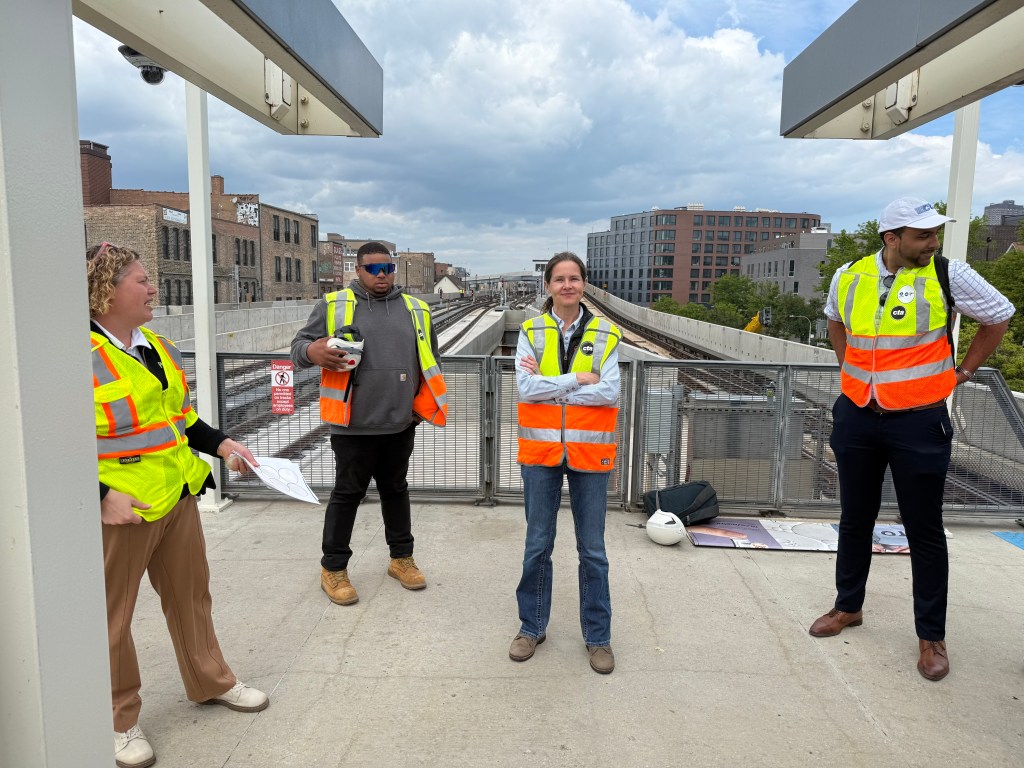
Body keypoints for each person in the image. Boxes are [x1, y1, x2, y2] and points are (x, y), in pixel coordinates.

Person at [812, 197, 1015, 681]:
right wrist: (851, 373)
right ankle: (848, 607)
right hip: (859, 414)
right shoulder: (850, 274)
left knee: (923, 530)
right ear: (892, 238)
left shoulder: (949, 274)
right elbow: (834, 321)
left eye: (934, 234)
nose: (933, 242)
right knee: (854, 518)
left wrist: (964, 370)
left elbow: (999, 315)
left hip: (919, 420)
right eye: (923, 235)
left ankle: (931, 636)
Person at [87, 243, 269, 768]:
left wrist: (224, 445)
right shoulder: (75, 355)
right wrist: (99, 496)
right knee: (111, 620)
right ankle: (119, 720)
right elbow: (50, 439)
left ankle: (211, 681)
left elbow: (180, 421)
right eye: (142, 280)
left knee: (192, 598)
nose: (152, 289)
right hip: (121, 509)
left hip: (176, 498)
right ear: (107, 290)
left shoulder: (158, 346)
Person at [291, 241, 447, 605]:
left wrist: (419, 410)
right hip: (353, 425)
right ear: (357, 271)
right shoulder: (333, 306)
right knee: (347, 495)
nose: (383, 275)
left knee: (396, 490)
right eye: (374, 269)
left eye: (388, 268)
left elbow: (431, 360)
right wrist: (313, 351)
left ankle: (401, 559)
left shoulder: (416, 309)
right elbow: (299, 347)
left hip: (400, 424)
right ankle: (333, 568)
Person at [509, 252, 622, 674]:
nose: (568, 285)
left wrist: (552, 389)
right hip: (541, 454)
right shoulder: (531, 330)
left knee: (592, 549)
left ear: (585, 284)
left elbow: (609, 392)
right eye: (560, 278)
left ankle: (598, 638)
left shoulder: (607, 333)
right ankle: (530, 626)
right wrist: (576, 380)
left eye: (575, 278)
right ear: (548, 285)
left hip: (590, 453)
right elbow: (525, 387)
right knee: (538, 544)